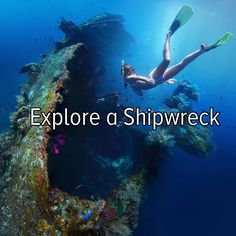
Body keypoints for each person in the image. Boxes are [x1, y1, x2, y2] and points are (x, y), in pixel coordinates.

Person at [121, 6, 233, 96]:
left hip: (153, 78)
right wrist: (163, 82)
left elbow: (137, 78)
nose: (132, 72)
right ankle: (202, 50)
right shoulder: (130, 83)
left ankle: (168, 35)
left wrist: (147, 81)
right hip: (160, 80)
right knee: (182, 64)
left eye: (131, 70)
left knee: (167, 60)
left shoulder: (128, 79)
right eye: (130, 70)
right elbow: (139, 88)